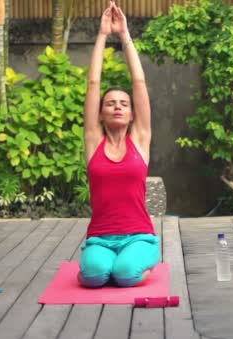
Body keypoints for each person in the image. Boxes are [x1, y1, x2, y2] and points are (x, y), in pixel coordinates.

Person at [78, 0, 159, 288]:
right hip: (100, 237)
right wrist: (101, 35)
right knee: (93, 276)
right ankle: (104, 264)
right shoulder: (93, 141)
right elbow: (92, 83)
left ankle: (142, 261)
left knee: (125, 275)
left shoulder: (140, 139)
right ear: (100, 113)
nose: (117, 107)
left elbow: (138, 82)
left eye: (123, 104)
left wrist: (124, 35)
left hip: (139, 235)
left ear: (132, 113)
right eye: (110, 104)